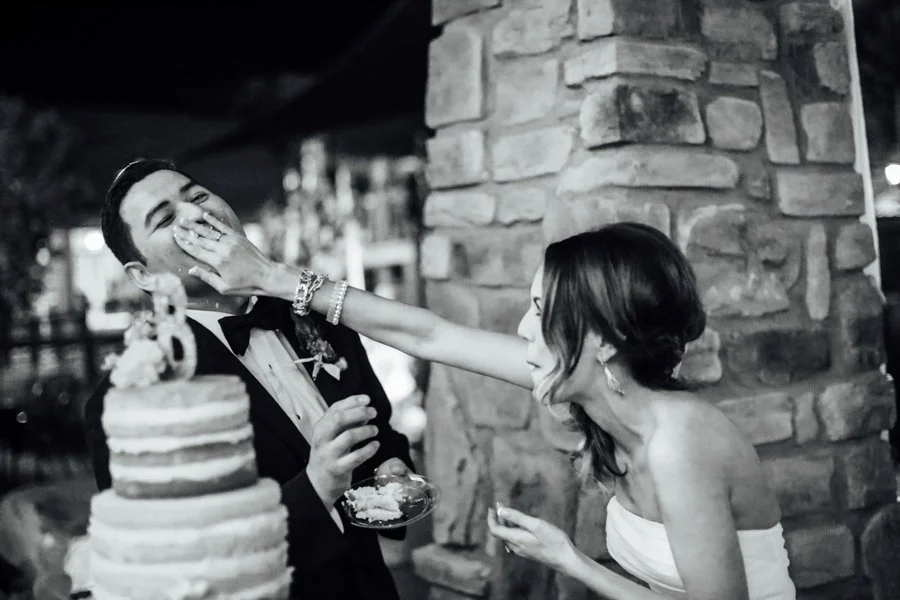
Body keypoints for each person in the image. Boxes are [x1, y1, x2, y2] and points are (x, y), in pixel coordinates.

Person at [176, 214, 797, 600]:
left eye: (539, 312)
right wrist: (278, 280)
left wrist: (568, 560)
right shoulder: (597, 391)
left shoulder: (679, 446)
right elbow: (429, 335)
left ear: (604, 341)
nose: (523, 329)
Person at [83, 158, 414, 600]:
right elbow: (184, 564)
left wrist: (392, 470)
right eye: (165, 219)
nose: (196, 215)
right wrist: (316, 487)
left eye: (197, 196)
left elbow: (382, 432)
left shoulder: (316, 312)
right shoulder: (136, 401)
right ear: (143, 276)